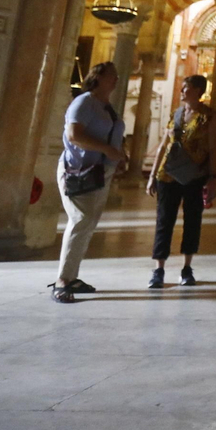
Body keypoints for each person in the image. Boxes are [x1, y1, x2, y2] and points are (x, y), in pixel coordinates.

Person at [51, 62, 128, 303]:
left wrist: (119, 156)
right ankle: (62, 281)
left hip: (99, 171)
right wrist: (107, 149)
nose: (115, 80)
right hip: (78, 170)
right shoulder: (84, 102)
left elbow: (113, 136)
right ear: (98, 77)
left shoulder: (107, 107)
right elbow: (74, 134)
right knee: (80, 220)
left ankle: (71, 277)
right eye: (111, 76)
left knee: (87, 224)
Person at [146, 74, 216, 289]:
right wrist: (151, 176)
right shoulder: (176, 113)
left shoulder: (209, 116)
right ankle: (159, 269)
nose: (182, 91)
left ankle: (187, 268)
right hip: (167, 175)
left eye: (186, 87)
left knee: (192, 219)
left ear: (198, 90)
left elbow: (213, 148)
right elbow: (163, 145)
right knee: (164, 220)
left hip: (194, 175)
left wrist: (213, 177)